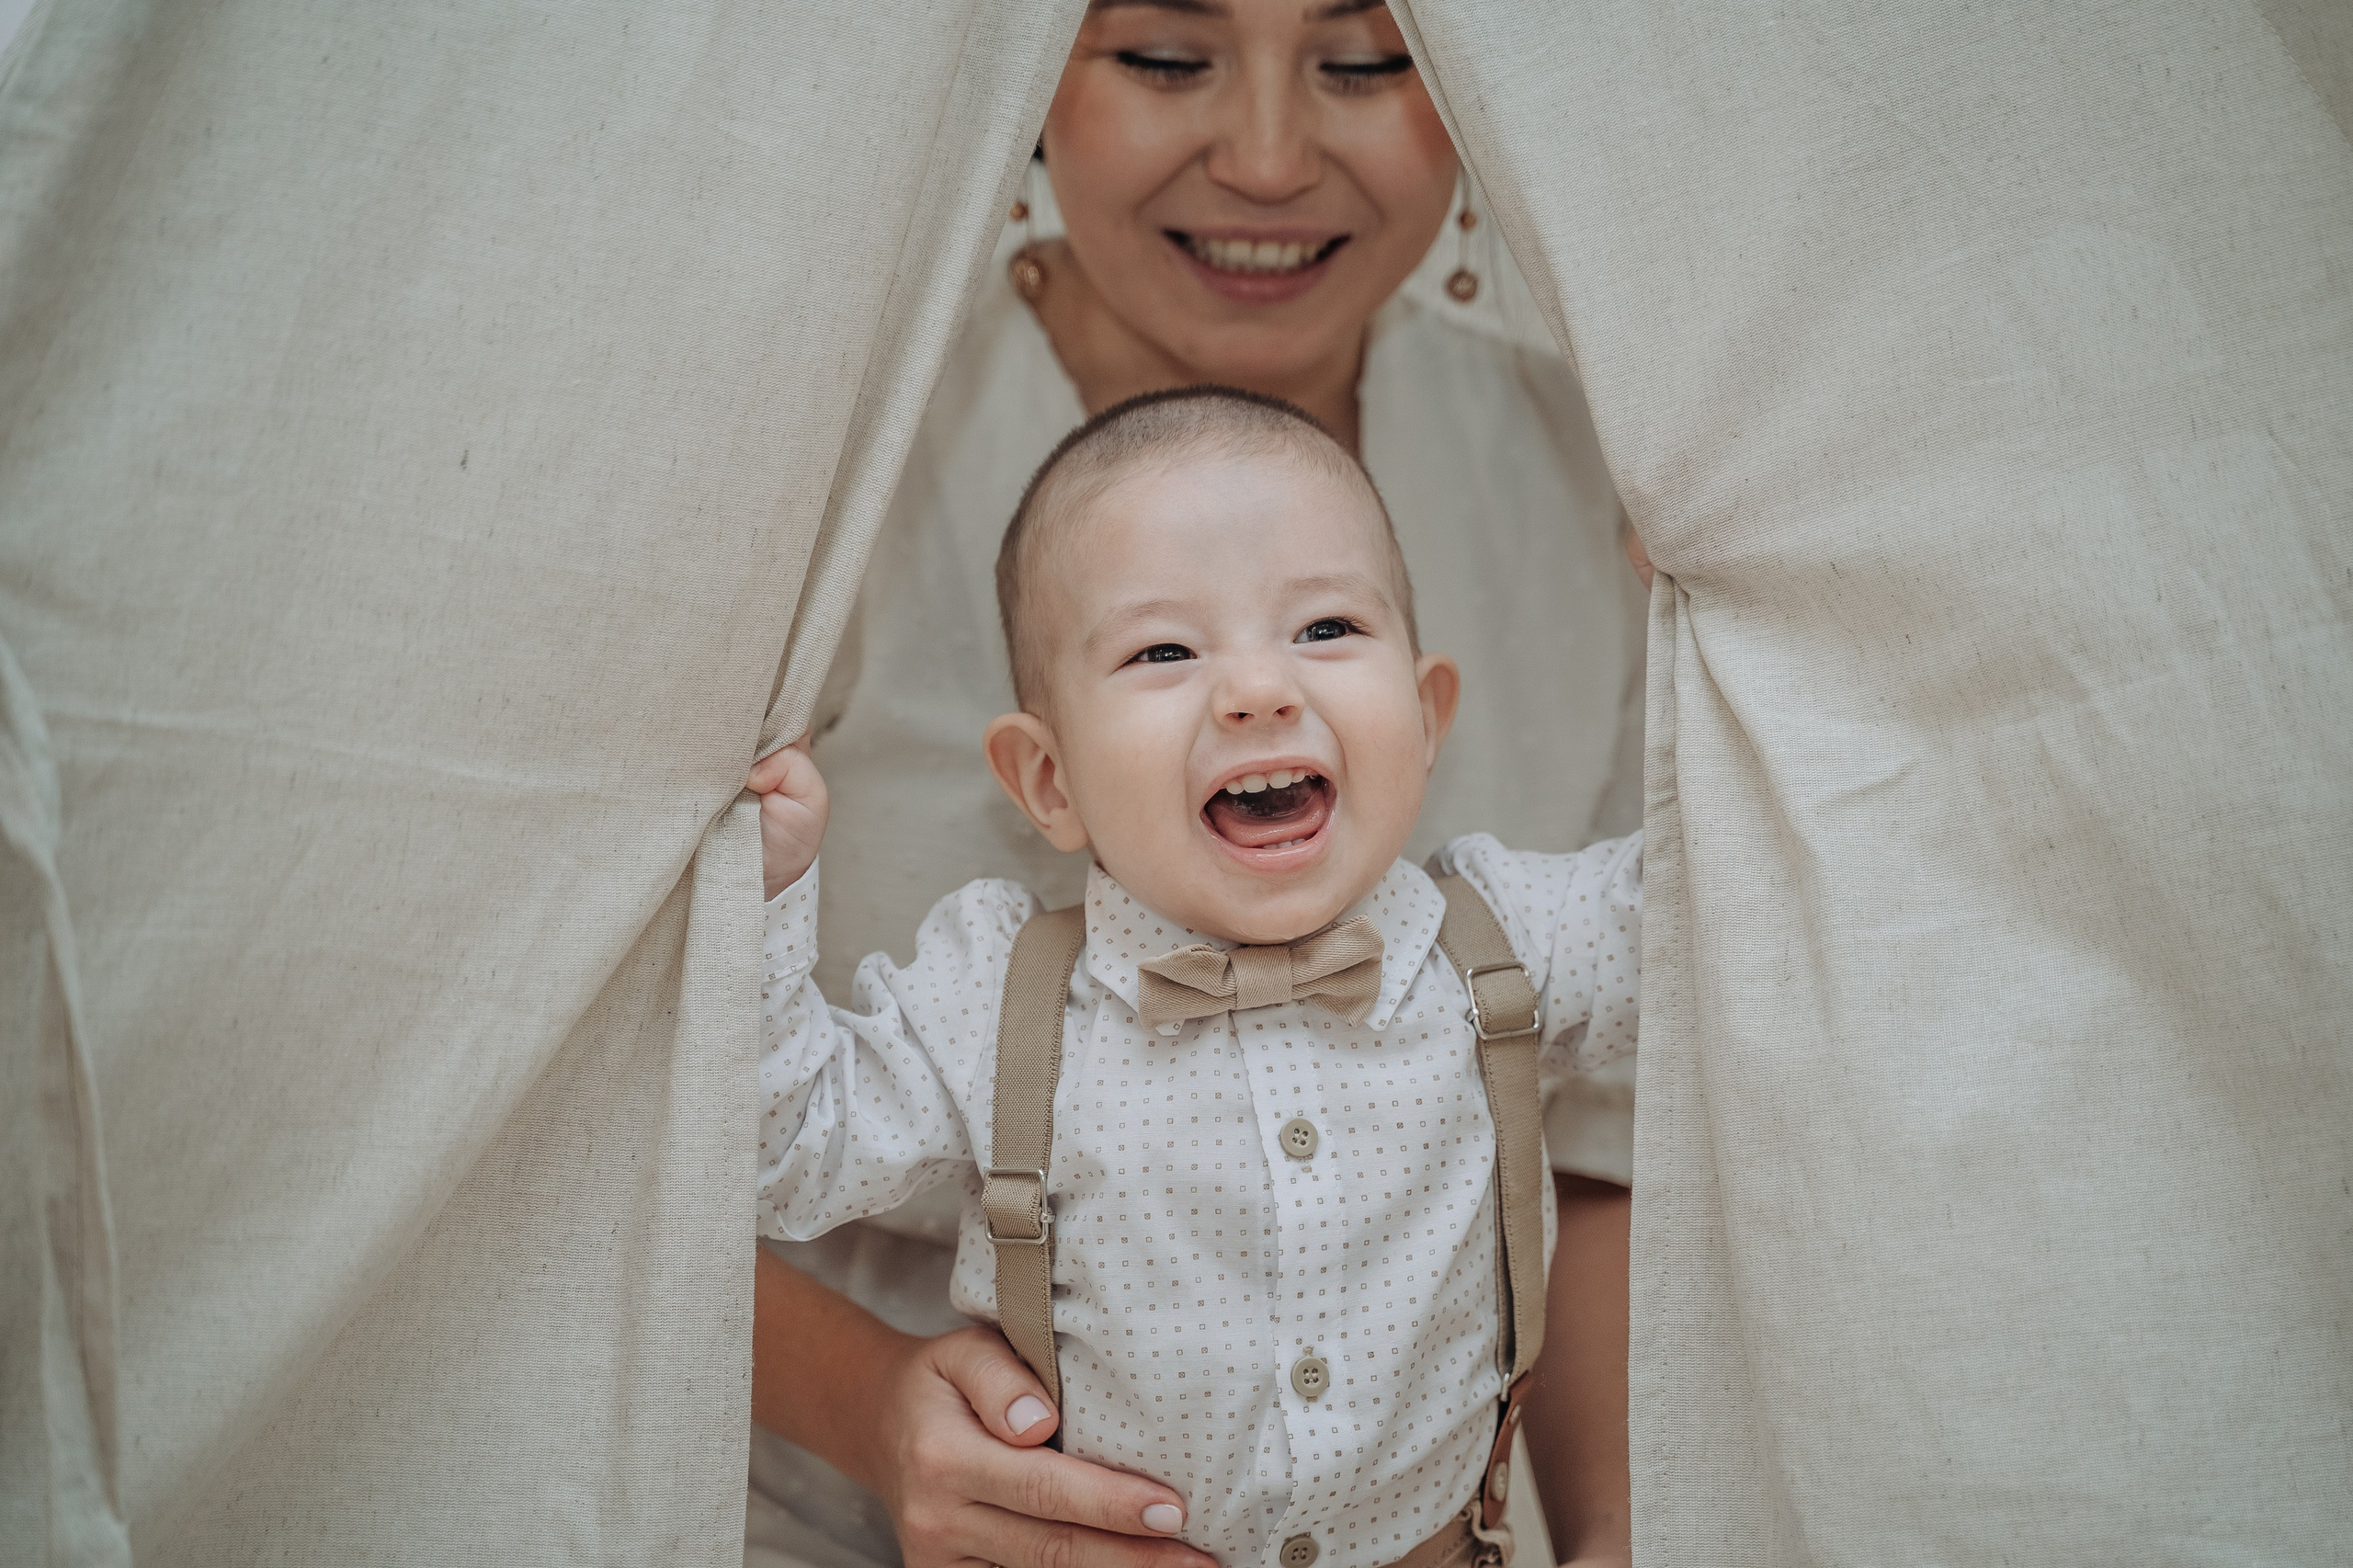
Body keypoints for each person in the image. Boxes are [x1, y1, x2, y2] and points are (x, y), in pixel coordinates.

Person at [748, 3, 1643, 1565]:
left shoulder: (1623, 478)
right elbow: (652, 1113)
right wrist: (875, 1403)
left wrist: (1615, 1534)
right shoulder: (812, 467)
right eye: (1168, 56)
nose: (1269, 158)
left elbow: (1611, 1124)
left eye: (1366, 63)